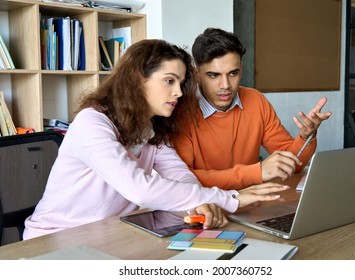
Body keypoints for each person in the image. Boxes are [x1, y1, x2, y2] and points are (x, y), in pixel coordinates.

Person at [23, 39, 290, 239]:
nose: (178, 93)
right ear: (138, 80)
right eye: (169, 81)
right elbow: (140, 188)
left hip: (108, 233)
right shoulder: (91, 123)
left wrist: (202, 203)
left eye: (181, 83)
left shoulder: (151, 129)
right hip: (55, 237)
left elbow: (180, 176)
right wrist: (231, 199)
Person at [172, 28, 332, 190]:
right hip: (206, 207)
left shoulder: (256, 100)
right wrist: (256, 172)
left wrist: (305, 138)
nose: (225, 85)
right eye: (214, 75)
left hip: (251, 204)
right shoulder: (180, 110)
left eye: (233, 73)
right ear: (197, 74)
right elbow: (184, 179)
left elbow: (293, 165)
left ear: (241, 69)